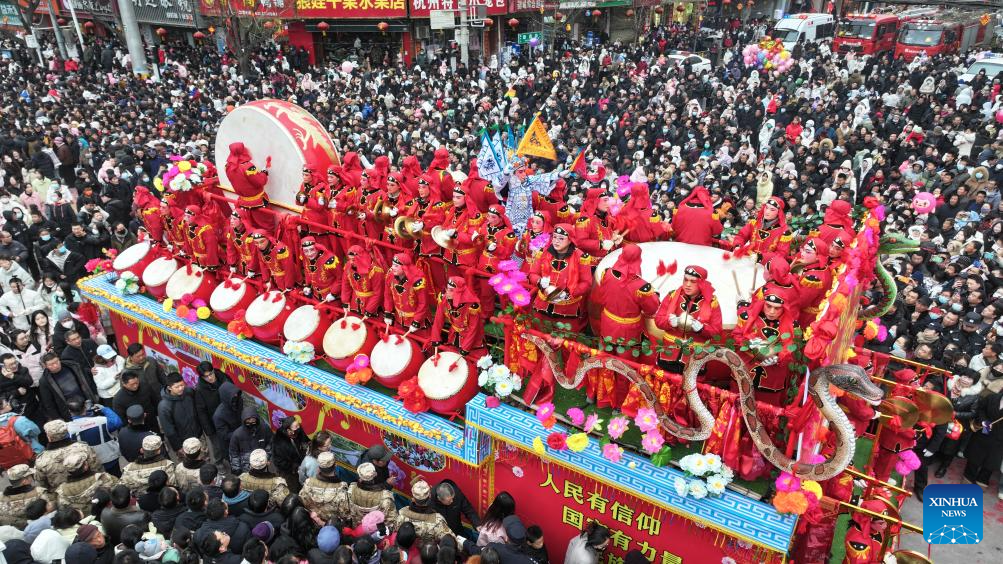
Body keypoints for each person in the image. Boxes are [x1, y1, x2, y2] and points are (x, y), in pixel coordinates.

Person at [33, 419, 100, 491]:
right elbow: (97, 470)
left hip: (63, 498)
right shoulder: (83, 448)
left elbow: (41, 487)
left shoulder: (41, 459)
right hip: (91, 490)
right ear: (67, 431)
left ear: (48, 436)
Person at [65, 396, 123, 476]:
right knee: (116, 477)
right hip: (110, 457)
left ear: (69, 411)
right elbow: (117, 422)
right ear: (85, 408)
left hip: (90, 464)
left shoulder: (68, 429)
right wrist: (104, 409)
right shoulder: (101, 420)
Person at [38, 352, 98, 421]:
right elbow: (49, 403)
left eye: (57, 362)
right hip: (69, 412)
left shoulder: (72, 366)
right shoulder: (45, 381)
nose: (55, 365)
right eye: (51, 364)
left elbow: (86, 381)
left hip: (86, 403)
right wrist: (57, 418)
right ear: (46, 366)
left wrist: (94, 395)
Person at [54, 450, 118, 515]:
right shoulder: (103, 478)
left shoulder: (62, 491)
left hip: (82, 522)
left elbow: (62, 509)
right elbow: (119, 491)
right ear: (85, 466)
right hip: (106, 515)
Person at [157, 372, 202, 455]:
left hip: (198, 436)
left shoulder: (189, 391)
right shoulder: (164, 406)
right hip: (184, 443)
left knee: (203, 459)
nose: (181, 388)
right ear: (169, 388)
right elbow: (169, 430)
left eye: (182, 385)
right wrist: (178, 447)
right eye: (177, 387)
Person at [193, 361, 228, 467]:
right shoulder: (200, 390)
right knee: (217, 446)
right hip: (213, 424)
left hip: (228, 419)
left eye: (211, 374)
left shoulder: (223, 378)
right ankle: (219, 463)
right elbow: (201, 412)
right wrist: (208, 430)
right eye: (206, 376)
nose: (210, 378)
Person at [300, 452, 349, 524]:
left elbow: (303, 500)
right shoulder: (341, 489)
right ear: (335, 465)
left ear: (319, 467)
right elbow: (345, 514)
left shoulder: (308, 482)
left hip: (314, 520)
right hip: (332, 524)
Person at [347, 462, 397, 528]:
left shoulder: (351, 488)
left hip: (355, 525)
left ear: (360, 477)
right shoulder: (385, 496)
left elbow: (347, 510)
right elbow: (390, 520)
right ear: (375, 474)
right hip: (373, 529)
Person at [0, 465, 51, 529]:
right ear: (24, 481)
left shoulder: (1, 498)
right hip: (39, 527)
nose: (32, 478)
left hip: (14, 531)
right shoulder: (39, 493)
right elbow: (48, 511)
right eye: (30, 476)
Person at [228, 406, 272, 475]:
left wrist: (266, 457)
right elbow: (234, 454)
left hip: (262, 465)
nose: (251, 422)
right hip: (246, 468)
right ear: (244, 420)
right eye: (248, 420)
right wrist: (237, 470)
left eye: (253, 419)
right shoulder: (237, 434)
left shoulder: (265, 429)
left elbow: (270, 443)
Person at [271, 414, 308, 493]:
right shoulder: (279, 442)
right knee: (293, 489)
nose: (299, 428)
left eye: (298, 425)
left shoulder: (298, 431)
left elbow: (305, 440)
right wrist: (294, 467)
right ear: (288, 430)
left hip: (301, 466)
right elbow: (279, 461)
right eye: (296, 427)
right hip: (289, 472)